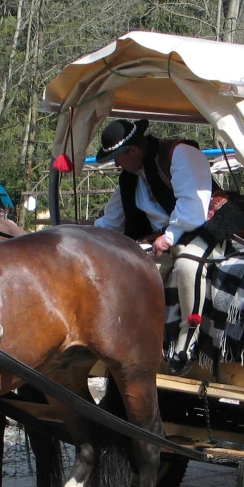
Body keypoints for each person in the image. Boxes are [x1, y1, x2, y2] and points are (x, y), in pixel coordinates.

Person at [93, 119, 214, 366]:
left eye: (117, 157)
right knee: (132, 270)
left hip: (205, 227)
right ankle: (145, 341)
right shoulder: (129, 178)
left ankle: (187, 343)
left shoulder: (179, 154)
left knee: (188, 267)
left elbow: (194, 207)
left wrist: (168, 237)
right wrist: (78, 236)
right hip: (165, 237)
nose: (116, 164)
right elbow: (111, 221)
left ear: (134, 151)